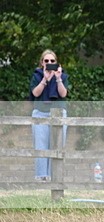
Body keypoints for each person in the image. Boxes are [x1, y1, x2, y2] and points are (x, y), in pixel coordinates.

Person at [29, 49, 70, 181]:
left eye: (52, 61)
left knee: (57, 145)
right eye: (46, 61)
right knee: (40, 146)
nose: (49, 63)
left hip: (58, 113)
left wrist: (57, 78)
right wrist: (44, 80)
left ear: (56, 62)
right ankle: (42, 178)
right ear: (42, 63)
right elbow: (35, 93)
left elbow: (63, 94)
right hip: (40, 113)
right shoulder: (37, 75)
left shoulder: (63, 76)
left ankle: (56, 177)